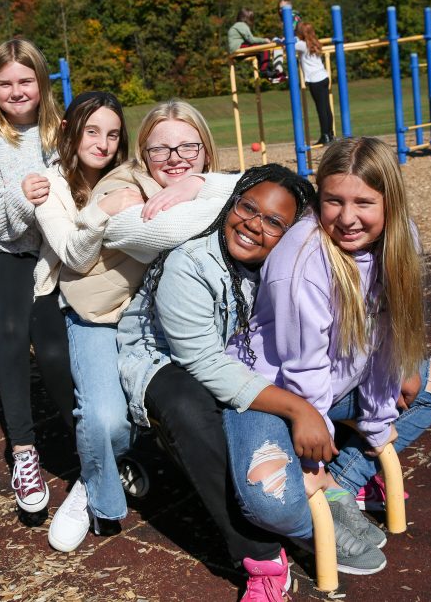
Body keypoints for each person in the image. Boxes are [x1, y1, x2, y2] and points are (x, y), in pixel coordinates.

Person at [222, 137, 431, 576]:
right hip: (272, 391)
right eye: (333, 201)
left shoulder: (400, 241)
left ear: (391, 202)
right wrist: (312, 463)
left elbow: (388, 336)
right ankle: (318, 495)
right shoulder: (303, 260)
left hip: (333, 387)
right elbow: (302, 367)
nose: (347, 218)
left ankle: (342, 484)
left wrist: (380, 415)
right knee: (270, 501)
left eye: (363, 202)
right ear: (320, 198)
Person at [36, 97, 241, 550]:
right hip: (103, 313)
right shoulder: (121, 185)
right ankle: (96, 487)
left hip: (155, 315)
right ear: (142, 153)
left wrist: (200, 186)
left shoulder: (199, 181)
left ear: (207, 150)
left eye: (189, 148)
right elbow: (167, 233)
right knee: (107, 421)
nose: (174, 159)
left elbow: (282, 189)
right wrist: (224, 196)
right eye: (160, 149)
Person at [118, 164, 318, 602]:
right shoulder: (191, 262)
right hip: (162, 360)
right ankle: (262, 558)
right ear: (232, 203)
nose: (253, 224)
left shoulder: (280, 266)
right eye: (248, 207)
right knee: (189, 408)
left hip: (228, 358)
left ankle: (338, 483)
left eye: (273, 221)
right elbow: (203, 363)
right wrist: (296, 409)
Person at [19, 91, 136, 551]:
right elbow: (74, 256)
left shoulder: (131, 177)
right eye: (92, 132)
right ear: (70, 130)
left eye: (112, 134)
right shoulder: (52, 185)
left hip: (132, 298)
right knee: (92, 404)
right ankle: (94, 480)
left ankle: (102, 468)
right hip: (76, 298)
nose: (103, 143)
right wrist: (104, 210)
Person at [0, 39, 75, 517]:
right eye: (5, 82)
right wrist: (19, 195)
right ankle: (24, 452)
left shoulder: (61, 133)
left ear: (41, 83)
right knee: (10, 335)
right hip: (9, 253)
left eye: (25, 81)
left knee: (53, 347)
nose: (15, 90)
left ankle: (90, 441)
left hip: (56, 252)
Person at [295, 21, 334, 145]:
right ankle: (330, 133)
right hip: (323, 77)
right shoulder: (315, 42)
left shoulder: (301, 44)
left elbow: (288, 44)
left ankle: (325, 136)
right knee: (326, 107)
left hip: (315, 80)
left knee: (321, 109)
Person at [227, 8, 284, 82]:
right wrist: (265, 40)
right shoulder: (242, 25)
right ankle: (265, 71)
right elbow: (251, 40)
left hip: (236, 48)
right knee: (263, 47)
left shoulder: (237, 25)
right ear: (247, 19)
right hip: (238, 47)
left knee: (259, 52)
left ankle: (268, 71)